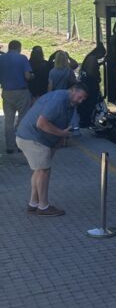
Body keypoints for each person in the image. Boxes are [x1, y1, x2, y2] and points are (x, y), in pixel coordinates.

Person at [15, 83, 89, 215]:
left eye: (83, 99)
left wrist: (56, 145)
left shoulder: (70, 103)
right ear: (72, 91)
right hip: (33, 138)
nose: (81, 101)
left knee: (39, 170)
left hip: (31, 137)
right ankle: (43, 206)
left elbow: (63, 126)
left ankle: (33, 203)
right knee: (44, 171)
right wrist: (62, 134)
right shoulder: (59, 100)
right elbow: (41, 123)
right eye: (80, 97)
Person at [0, 40, 33, 154]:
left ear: (9, 47)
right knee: (23, 118)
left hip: (7, 92)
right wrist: (32, 76)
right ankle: (19, 144)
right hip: (21, 92)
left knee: (8, 120)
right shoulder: (22, 58)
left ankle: (9, 146)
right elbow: (27, 76)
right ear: (18, 48)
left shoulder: (1, 59)